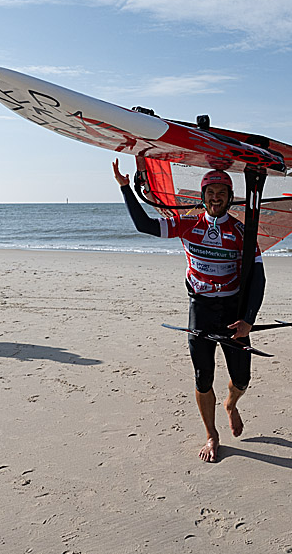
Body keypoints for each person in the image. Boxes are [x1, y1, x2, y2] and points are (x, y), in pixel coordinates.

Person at [113, 160, 266, 462]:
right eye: (211, 191)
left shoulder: (243, 232)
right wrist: (125, 187)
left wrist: (248, 320)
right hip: (201, 309)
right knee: (202, 377)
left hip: (233, 310)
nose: (216, 197)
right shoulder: (187, 223)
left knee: (242, 379)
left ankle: (231, 405)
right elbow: (144, 225)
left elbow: (259, 279)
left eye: (222, 192)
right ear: (203, 195)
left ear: (230, 196)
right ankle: (212, 435)